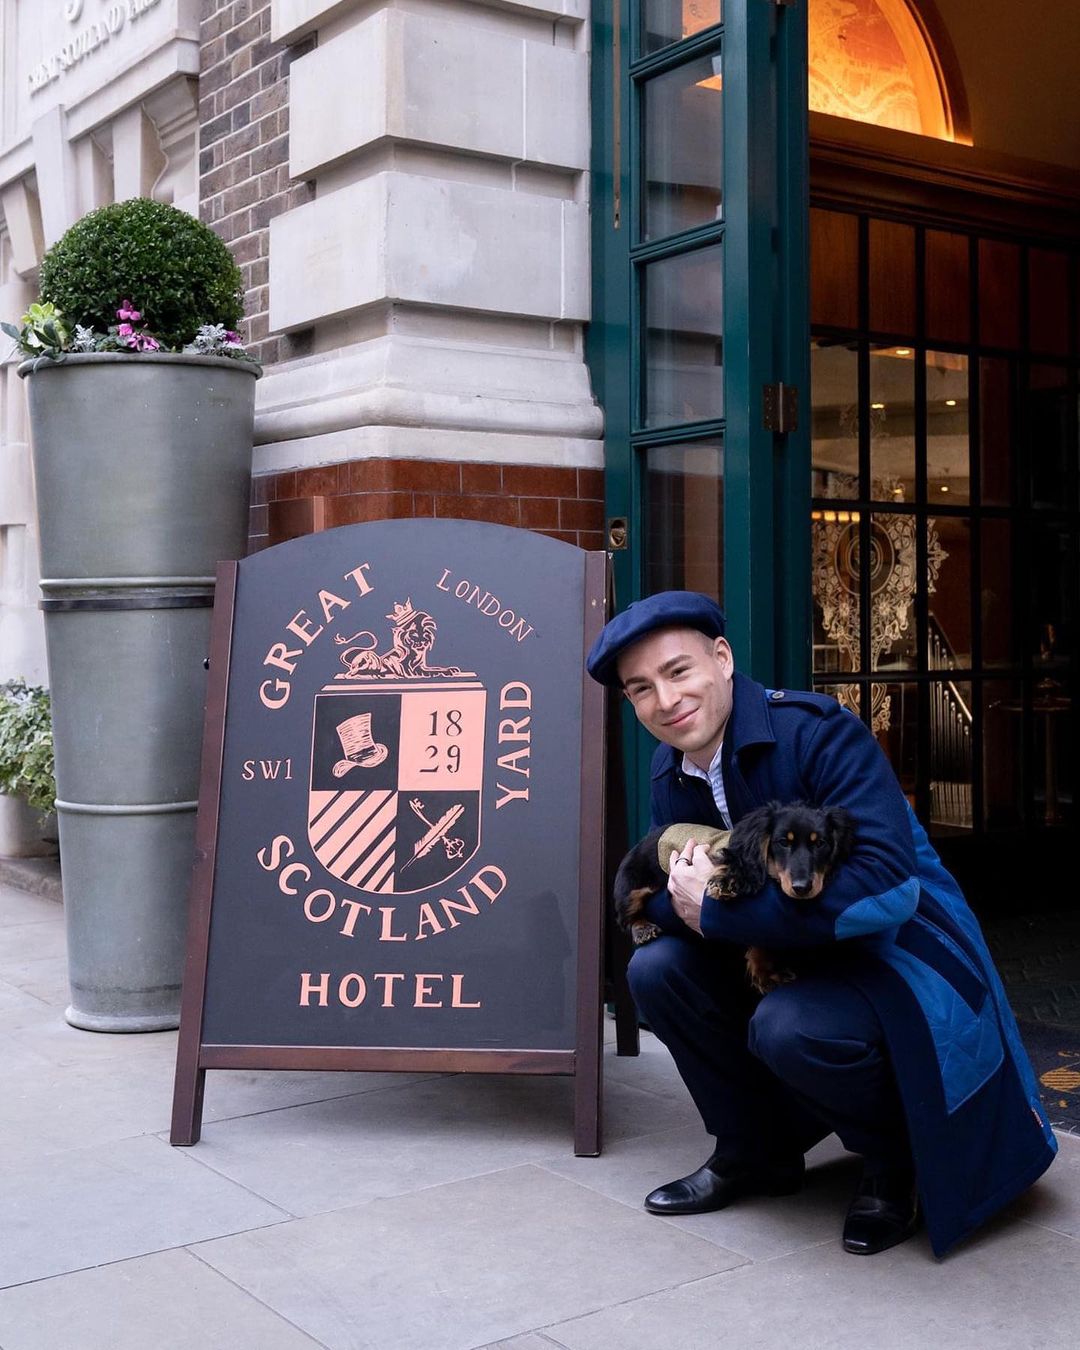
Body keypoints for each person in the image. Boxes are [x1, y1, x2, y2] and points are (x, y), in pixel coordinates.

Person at [587, 590, 1056, 1257]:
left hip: (896, 951)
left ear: (721, 659)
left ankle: (894, 1166)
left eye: (678, 671)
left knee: (791, 1025)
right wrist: (689, 908)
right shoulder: (672, 766)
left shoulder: (820, 730)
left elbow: (886, 889)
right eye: (641, 689)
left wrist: (715, 908)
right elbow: (684, 894)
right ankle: (755, 1151)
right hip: (794, 951)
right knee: (656, 969)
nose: (665, 700)